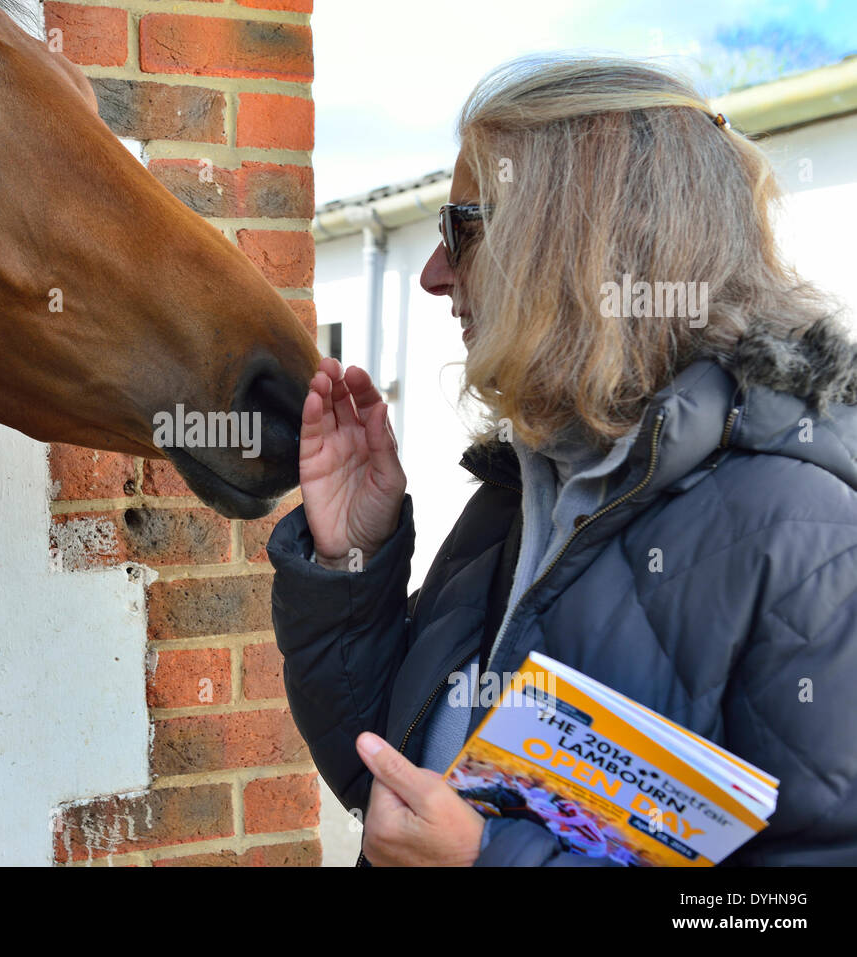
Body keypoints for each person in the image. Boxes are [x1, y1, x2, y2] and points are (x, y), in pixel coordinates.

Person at [267, 55, 857, 866]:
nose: (436, 274)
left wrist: (490, 859)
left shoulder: (806, 531)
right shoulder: (524, 487)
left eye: (461, 229)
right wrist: (350, 557)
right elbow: (388, 776)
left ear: (574, 239)